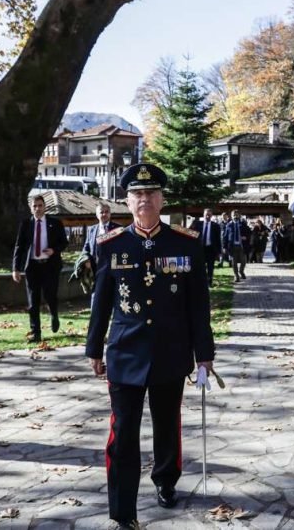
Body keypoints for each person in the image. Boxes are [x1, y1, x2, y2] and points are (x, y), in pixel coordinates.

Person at [85, 163, 215, 530]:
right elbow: (101, 300)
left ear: (161, 199)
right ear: (127, 200)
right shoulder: (111, 244)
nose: (144, 199)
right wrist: (94, 348)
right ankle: (122, 508)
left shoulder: (185, 243)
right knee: (122, 431)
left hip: (170, 351)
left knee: (166, 424)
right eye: (137, 194)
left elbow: (198, 304)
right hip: (125, 352)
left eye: (151, 193)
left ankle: (165, 480)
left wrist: (204, 354)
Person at [12, 194, 69, 343]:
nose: (37, 208)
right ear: (31, 209)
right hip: (32, 267)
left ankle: (54, 315)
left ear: (45, 207)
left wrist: (54, 250)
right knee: (33, 301)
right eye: (34, 206)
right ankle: (35, 332)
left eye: (40, 205)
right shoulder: (26, 224)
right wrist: (15, 269)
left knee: (50, 296)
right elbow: (19, 246)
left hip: (50, 266)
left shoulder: (55, 223)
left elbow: (64, 242)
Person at [189, 208, 222, 287]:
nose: (207, 216)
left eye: (209, 215)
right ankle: (200, 282)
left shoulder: (215, 226)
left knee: (210, 267)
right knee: (200, 267)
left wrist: (219, 252)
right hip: (200, 249)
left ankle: (209, 282)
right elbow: (190, 234)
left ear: (211, 216)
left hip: (211, 250)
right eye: (206, 214)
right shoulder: (197, 224)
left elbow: (218, 239)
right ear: (203, 215)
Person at [83, 202, 121, 271]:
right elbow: (86, 248)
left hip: (113, 268)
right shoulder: (91, 230)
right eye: (101, 212)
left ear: (110, 214)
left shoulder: (118, 229)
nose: (104, 214)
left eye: (107, 212)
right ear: (97, 215)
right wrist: (86, 260)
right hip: (95, 267)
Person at [222, 210, 250, 282]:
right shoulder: (229, 225)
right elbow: (225, 237)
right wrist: (224, 247)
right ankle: (236, 275)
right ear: (231, 216)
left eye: (237, 215)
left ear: (239, 216)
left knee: (243, 261)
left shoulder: (243, 224)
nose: (235, 216)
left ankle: (241, 271)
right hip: (232, 246)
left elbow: (249, 233)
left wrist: (245, 237)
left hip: (241, 245)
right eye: (234, 215)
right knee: (233, 262)